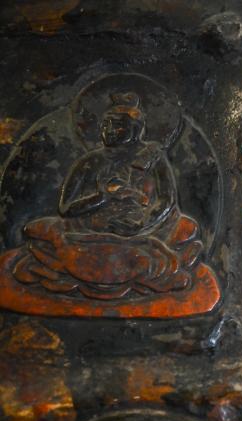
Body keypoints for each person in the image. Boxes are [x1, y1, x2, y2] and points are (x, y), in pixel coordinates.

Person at [12, 92, 203, 298]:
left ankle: (79, 267)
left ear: (136, 129)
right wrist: (101, 197)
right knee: (38, 229)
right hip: (90, 230)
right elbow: (66, 208)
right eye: (106, 125)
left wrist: (143, 222)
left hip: (141, 229)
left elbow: (167, 200)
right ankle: (140, 268)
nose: (109, 130)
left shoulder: (153, 158)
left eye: (118, 125)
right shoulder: (90, 161)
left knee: (187, 227)